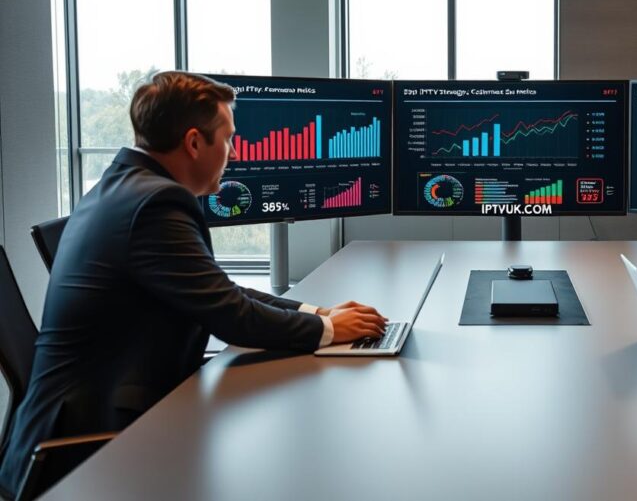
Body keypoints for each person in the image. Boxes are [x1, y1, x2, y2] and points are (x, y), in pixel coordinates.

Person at [0, 72, 387, 496]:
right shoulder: (155, 204)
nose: (234, 153)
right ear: (194, 143)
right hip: (85, 449)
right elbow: (230, 316)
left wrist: (318, 313)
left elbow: (216, 290)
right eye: (228, 139)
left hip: (92, 418)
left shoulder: (122, 186)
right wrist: (328, 331)